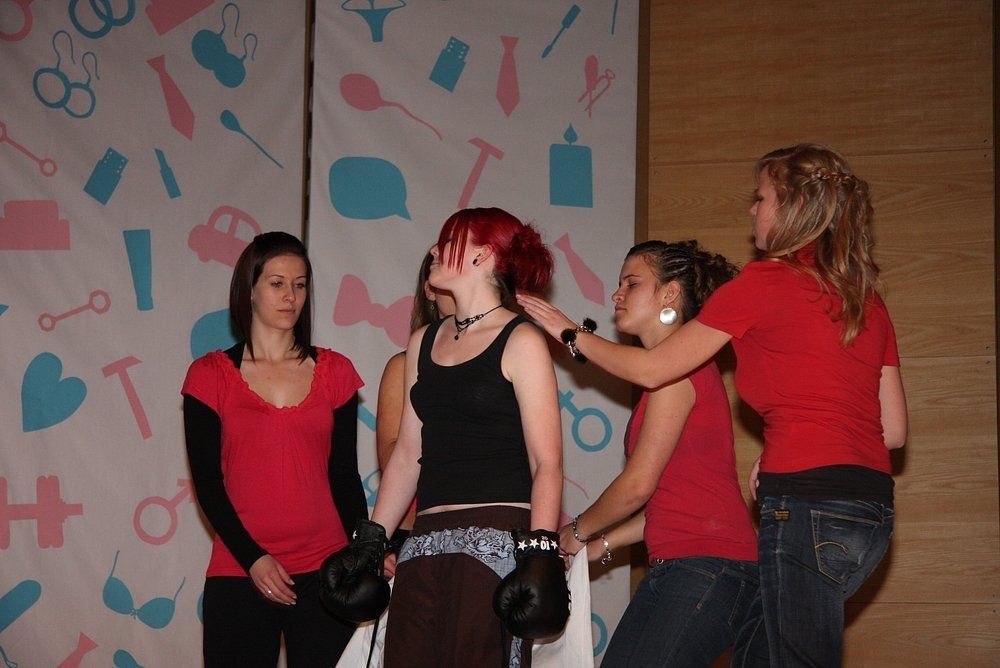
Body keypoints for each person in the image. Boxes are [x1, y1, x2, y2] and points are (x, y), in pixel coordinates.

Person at [519, 144, 908, 668]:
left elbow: (653, 371)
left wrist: (569, 331)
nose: (752, 209)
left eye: (761, 198)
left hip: (803, 508)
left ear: (793, 206)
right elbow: (893, 431)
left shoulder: (766, 282)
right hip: (871, 514)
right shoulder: (866, 300)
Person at [327, 207, 566, 668]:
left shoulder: (522, 340)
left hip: (495, 541)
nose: (435, 249)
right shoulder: (423, 340)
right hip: (424, 542)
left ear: (483, 256)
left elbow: (547, 463)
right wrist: (372, 542)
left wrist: (540, 555)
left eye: (448, 240)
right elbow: (407, 454)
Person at [559, 240, 759, 667]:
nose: (616, 295)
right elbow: (668, 505)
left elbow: (637, 487)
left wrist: (577, 531)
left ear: (670, 293)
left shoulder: (675, 374)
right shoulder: (668, 376)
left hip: (709, 565)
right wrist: (600, 544)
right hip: (685, 566)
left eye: (631, 284)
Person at [182, 231, 366, 666]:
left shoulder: (336, 371)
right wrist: (254, 559)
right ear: (249, 289)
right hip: (239, 570)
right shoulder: (208, 375)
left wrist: (365, 553)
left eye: (300, 285)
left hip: (325, 571)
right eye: (277, 283)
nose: (290, 296)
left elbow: (344, 476)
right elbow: (208, 484)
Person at [376, 252, 456, 572]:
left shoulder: (510, 354)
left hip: (486, 533)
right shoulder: (404, 365)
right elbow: (394, 458)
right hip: (414, 533)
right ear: (430, 289)